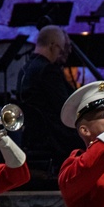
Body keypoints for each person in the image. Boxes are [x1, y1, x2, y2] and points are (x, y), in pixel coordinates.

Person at [16, 25, 79, 186]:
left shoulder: (24, 69)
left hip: (33, 136)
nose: (63, 52)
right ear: (52, 46)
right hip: (55, 138)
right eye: (61, 47)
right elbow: (67, 106)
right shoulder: (48, 71)